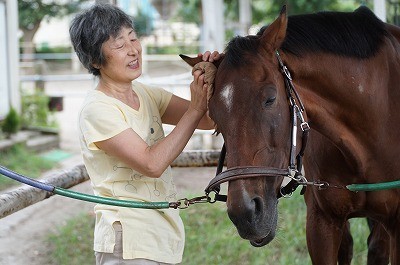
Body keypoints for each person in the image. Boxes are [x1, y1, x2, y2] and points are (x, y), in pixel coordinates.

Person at [69, 3, 220, 265]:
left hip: (161, 236)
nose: (132, 50)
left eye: (133, 38)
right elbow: (152, 163)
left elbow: (207, 120)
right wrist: (195, 108)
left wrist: (214, 76)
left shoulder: (146, 94)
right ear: (95, 60)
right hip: (127, 241)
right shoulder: (97, 109)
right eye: (119, 45)